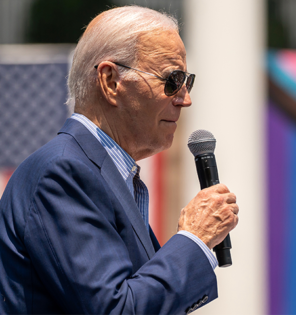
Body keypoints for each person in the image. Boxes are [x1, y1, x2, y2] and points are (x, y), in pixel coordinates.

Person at [0, 6, 239, 315]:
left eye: (187, 81)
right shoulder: (63, 172)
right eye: (172, 80)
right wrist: (194, 239)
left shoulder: (103, 173)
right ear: (111, 81)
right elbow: (116, 309)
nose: (185, 98)